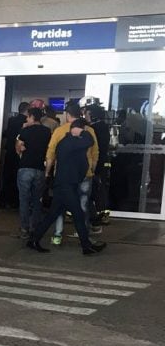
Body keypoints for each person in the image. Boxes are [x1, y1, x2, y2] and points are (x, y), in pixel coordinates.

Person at [27, 119, 106, 255]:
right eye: (82, 130)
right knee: (78, 214)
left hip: (66, 184)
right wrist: (83, 131)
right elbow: (89, 141)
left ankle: (33, 240)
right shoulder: (70, 142)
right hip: (66, 185)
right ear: (76, 130)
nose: (84, 133)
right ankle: (86, 246)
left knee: (52, 214)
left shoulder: (70, 142)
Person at [45, 101, 98, 245]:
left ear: (68, 115)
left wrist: (47, 172)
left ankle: (57, 235)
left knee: (60, 207)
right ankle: (83, 236)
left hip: (64, 175)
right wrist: (92, 169)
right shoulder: (89, 131)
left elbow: (50, 153)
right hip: (84, 174)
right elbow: (95, 153)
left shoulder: (60, 131)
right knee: (83, 205)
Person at [15, 107, 51, 239]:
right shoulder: (47, 132)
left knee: (24, 199)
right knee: (37, 200)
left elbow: (18, 149)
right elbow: (49, 150)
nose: (26, 119)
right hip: (40, 169)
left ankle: (24, 228)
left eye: (28, 117)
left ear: (32, 117)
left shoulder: (25, 130)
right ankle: (35, 227)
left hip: (25, 167)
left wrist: (21, 147)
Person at [86, 104, 111, 226]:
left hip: (96, 164)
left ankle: (96, 215)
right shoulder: (105, 127)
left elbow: (94, 149)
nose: (86, 116)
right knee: (101, 189)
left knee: (93, 190)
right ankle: (103, 213)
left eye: (88, 114)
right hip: (103, 162)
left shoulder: (93, 129)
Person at [2, 102, 30, 208]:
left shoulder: (11, 120)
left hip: (9, 152)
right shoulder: (26, 122)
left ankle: (6, 200)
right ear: (27, 111)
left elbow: (7, 134)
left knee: (8, 176)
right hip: (20, 153)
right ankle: (16, 201)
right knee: (18, 178)